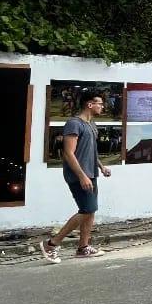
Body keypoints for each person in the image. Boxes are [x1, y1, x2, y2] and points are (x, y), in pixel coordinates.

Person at [40, 90, 111, 263]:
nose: (102, 106)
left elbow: (90, 152)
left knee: (91, 210)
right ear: (89, 104)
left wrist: (101, 167)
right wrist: (82, 176)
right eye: (99, 103)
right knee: (86, 210)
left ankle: (83, 247)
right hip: (79, 175)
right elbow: (68, 153)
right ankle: (51, 244)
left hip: (91, 173)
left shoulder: (91, 125)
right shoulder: (74, 123)